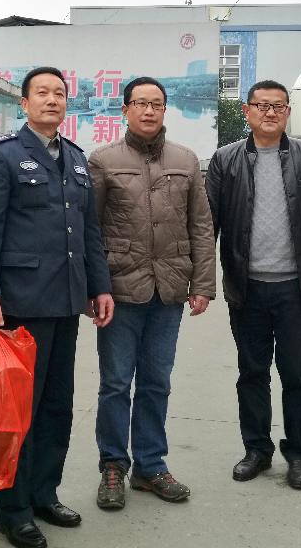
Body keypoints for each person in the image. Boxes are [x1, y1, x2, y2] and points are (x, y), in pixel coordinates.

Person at [0, 66, 114, 548]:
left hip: (66, 302)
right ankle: (12, 510)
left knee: (56, 406)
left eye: (59, 94)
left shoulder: (75, 158)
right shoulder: (3, 156)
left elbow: (88, 232)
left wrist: (99, 287)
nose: (52, 100)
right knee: (16, 413)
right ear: (24, 103)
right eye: (42, 93)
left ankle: (43, 494)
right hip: (21, 303)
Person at [205, 79, 301, 491]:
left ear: (287, 112)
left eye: (278, 106)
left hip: (294, 289)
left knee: (298, 376)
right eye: (261, 105)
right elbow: (207, 226)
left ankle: (298, 456)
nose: (269, 112)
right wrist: (200, 280)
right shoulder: (225, 159)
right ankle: (257, 451)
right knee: (252, 373)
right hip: (246, 289)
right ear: (246, 111)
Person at [87, 76, 216, 509]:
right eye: (140, 103)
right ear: (124, 110)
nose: (148, 110)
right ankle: (112, 465)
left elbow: (201, 225)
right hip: (120, 290)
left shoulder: (186, 160)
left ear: (165, 110)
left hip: (170, 289)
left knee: (157, 382)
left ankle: (150, 465)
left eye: (156, 104)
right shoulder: (103, 160)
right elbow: (91, 230)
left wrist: (203, 284)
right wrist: (95, 287)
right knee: (115, 383)